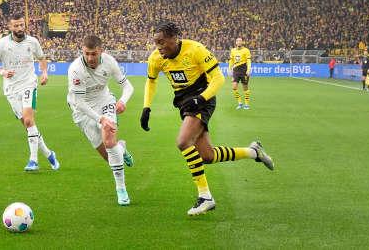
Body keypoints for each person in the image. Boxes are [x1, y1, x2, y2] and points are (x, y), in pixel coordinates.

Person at [140, 21, 274, 216]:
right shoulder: (156, 58)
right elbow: (151, 82)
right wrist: (146, 107)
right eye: (156, 43)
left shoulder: (195, 49)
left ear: (174, 39)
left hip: (203, 97)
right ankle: (254, 152)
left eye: (162, 42)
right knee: (207, 156)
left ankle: (205, 197)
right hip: (185, 103)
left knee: (183, 141)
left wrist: (201, 98)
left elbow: (218, 78)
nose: (158, 47)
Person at [67, 34, 136, 206]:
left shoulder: (109, 62)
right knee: (109, 156)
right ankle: (122, 149)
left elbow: (128, 87)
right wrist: (100, 119)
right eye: (86, 53)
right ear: (82, 51)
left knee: (109, 141)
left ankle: (121, 189)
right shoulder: (75, 69)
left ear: (101, 51)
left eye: (94, 54)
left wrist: (122, 101)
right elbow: (80, 103)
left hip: (104, 101)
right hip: (82, 110)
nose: (90, 58)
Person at [0, 14, 60, 172]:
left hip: (28, 84)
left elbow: (42, 58)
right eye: (16, 25)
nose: (20, 28)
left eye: (22, 25)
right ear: (10, 27)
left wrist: (44, 73)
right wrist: (2, 72)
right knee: (29, 126)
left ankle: (33, 160)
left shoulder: (32, 41)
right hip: (11, 89)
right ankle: (49, 154)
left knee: (28, 121)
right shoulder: (2, 43)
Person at [228, 37, 252, 109]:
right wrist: (229, 68)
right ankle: (240, 103)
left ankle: (246, 104)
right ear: (236, 42)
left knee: (245, 87)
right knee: (234, 87)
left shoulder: (246, 50)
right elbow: (231, 60)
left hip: (244, 69)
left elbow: (248, 61)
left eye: (240, 41)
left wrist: (248, 69)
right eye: (237, 41)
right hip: (236, 70)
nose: (239, 42)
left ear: (242, 42)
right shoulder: (233, 50)